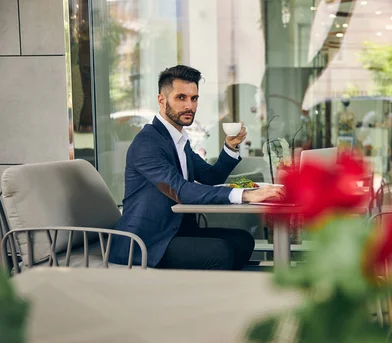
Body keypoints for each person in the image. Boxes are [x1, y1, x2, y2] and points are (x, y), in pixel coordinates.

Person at [109, 65, 285, 270]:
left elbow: (210, 176)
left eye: (194, 98)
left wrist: (230, 147)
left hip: (176, 232)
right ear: (161, 100)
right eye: (181, 98)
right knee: (220, 252)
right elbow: (180, 190)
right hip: (147, 242)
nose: (189, 106)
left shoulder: (178, 140)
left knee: (242, 241)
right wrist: (246, 195)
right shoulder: (148, 143)